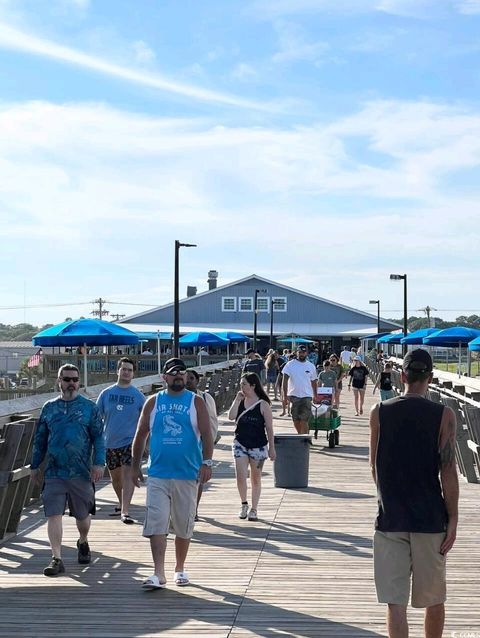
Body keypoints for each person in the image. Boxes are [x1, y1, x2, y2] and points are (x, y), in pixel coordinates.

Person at [369, 349, 459, 638]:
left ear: (403, 375)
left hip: (390, 518)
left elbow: (374, 468)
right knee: (434, 599)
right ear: (430, 378)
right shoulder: (444, 415)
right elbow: (448, 471)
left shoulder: (379, 413)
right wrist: (453, 518)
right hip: (430, 520)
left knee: (396, 604)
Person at [129, 357, 213, 590]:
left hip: (187, 473)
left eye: (182, 373)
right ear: (163, 377)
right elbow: (140, 435)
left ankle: (180, 568)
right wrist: (135, 466)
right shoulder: (153, 402)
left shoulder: (195, 402)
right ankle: (159, 572)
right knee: (156, 522)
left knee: (183, 523)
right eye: (173, 373)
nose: (179, 376)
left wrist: (207, 462)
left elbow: (207, 434)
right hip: (158, 473)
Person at [30, 364, 105, 577]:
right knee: (53, 514)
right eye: (66, 379)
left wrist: (99, 463)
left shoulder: (90, 408)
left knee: (82, 516)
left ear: (79, 382)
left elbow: (99, 437)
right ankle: (57, 558)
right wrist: (35, 466)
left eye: (74, 379)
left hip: (80, 471)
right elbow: (40, 439)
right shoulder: (49, 408)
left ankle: (83, 541)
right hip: (54, 471)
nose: (71, 383)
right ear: (59, 381)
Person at [96, 357, 145, 523]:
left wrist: (145, 443)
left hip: (129, 442)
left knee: (127, 475)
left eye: (130, 370)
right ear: (118, 370)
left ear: (133, 374)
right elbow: (97, 418)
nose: (126, 372)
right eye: (123, 369)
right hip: (109, 441)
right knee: (115, 479)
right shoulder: (106, 394)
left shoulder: (138, 396)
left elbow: (145, 420)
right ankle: (121, 502)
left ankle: (125, 510)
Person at [228, 372, 275, 521]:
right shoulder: (240, 400)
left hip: (259, 446)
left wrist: (272, 448)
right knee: (240, 476)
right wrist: (236, 400)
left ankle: (254, 509)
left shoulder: (263, 404)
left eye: (244, 384)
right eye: (241, 384)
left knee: (256, 478)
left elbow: (269, 428)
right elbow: (231, 416)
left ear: (253, 386)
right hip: (240, 443)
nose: (241, 387)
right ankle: (244, 504)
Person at [185, 368, 219, 520]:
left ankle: (194, 510)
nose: (187, 381)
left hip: (200, 444)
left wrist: (209, 444)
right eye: (186, 378)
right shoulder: (178, 398)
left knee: (198, 479)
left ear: (197, 381)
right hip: (182, 444)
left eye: (191, 378)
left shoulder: (205, 398)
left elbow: (213, 421)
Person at [282, 345, 318, 434]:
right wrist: (285, 395)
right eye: (300, 352)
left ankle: (304, 440)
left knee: (304, 420)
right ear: (296, 352)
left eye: (304, 352)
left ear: (307, 353)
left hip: (307, 396)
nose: (302, 354)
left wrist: (315, 395)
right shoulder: (290, 364)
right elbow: (284, 380)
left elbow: (314, 381)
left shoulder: (311, 366)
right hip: (293, 396)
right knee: (296, 420)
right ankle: (300, 435)